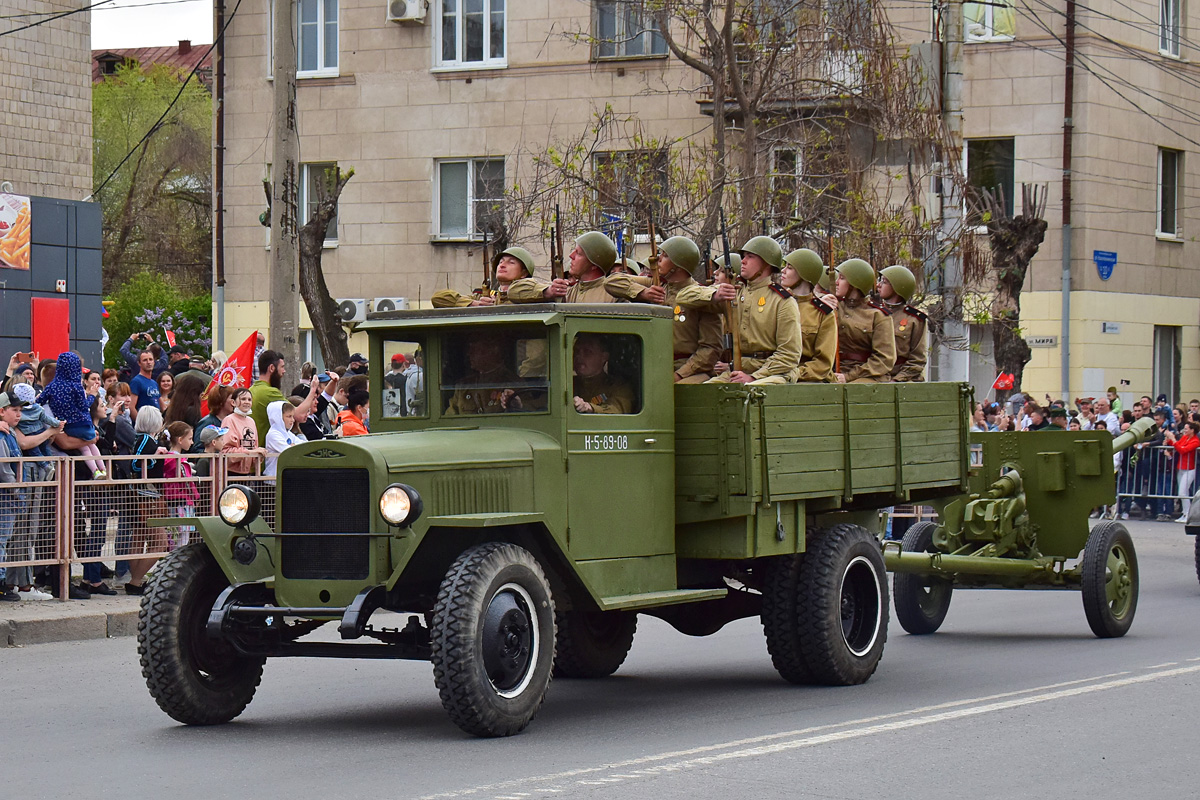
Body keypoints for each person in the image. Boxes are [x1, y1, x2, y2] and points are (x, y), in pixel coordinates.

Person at [679, 236, 802, 385]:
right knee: (708, 392)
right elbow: (683, 297)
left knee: (754, 391)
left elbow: (789, 354)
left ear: (766, 263)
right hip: (738, 369)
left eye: (750, 257)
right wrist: (714, 295)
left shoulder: (782, 301)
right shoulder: (735, 293)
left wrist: (754, 377)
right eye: (743, 257)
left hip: (774, 372)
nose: (743, 261)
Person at [605, 235, 724, 384]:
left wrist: (680, 375)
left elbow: (710, 348)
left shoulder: (701, 297)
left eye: (665, 256)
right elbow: (611, 281)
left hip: (687, 370)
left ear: (679, 265)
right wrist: (643, 293)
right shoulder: (656, 285)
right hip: (653, 365)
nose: (659, 259)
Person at [824, 259, 896, 384]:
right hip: (832, 371)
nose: (836, 282)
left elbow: (884, 359)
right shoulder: (834, 305)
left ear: (854, 283)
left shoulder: (878, 315)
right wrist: (821, 303)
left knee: (853, 391)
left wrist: (849, 376)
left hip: (867, 375)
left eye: (841, 278)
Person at [37, 352, 107, 478]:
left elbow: (37, 402)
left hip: (68, 426)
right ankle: (102, 469)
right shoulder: (76, 387)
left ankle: (96, 471)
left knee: (86, 449)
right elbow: (84, 406)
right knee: (89, 445)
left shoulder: (52, 387)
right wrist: (91, 396)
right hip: (82, 425)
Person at [124, 406, 169, 595]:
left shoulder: (143, 439)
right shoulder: (144, 439)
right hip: (147, 496)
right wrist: (154, 457)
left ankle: (136, 580)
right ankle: (135, 580)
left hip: (143, 494)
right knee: (160, 543)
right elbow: (136, 462)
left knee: (139, 538)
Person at [509, 231, 622, 304]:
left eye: (578, 253)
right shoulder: (567, 292)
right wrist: (548, 292)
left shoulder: (615, 295)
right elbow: (514, 291)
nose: (571, 256)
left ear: (593, 265)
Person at [780, 248, 837, 383]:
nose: (783, 271)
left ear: (804, 274)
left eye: (790, 268)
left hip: (809, 380)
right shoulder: (778, 304)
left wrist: (793, 374)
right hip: (777, 374)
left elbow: (823, 363)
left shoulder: (822, 313)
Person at [251, 350, 319, 446]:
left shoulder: (251, 390)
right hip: (268, 457)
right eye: (282, 367)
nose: (284, 371)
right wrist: (313, 390)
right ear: (271, 368)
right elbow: (298, 414)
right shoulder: (269, 392)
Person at [433, 246, 539, 307]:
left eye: (511, 263)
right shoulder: (481, 297)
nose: (502, 265)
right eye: (501, 262)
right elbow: (438, 298)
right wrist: (475, 304)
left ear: (524, 273)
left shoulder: (528, 298)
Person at [444, 337, 523, 415]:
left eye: (474, 350)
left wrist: (517, 404)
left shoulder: (512, 382)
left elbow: (530, 407)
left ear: (491, 352)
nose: (469, 354)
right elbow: (450, 416)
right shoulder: (463, 386)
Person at [0, 391, 29, 602]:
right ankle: (1, 583)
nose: (18, 415)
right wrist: (17, 490)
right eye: (14, 410)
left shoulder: (9, 433)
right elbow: (5, 470)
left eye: (20, 410)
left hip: (10, 496)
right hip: (6, 496)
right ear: (2, 411)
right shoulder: (3, 436)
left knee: (4, 539)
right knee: (1, 539)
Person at [876, 264, 927, 382]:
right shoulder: (873, 312)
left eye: (884, 282)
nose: (878, 285)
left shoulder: (914, 319)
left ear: (897, 286)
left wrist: (897, 380)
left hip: (903, 379)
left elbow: (917, 359)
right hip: (876, 377)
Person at [572, 334, 635, 414]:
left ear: (604, 357)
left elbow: (617, 409)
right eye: (576, 351)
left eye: (587, 351)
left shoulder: (618, 387)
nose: (579, 356)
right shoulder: (568, 384)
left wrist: (590, 408)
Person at [162, 421, 200, 549]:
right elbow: (188, 482)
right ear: (180, 440)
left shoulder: (168, 458)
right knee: (182, 536)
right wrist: (196, 496)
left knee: (176, 535)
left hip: (174, 500)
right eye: (189, 439)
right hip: (182, 501)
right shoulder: (177, 461)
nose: (192, 442)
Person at [10, 382, 62, 472]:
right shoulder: (38, 409)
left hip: (33, 469)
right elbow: (24, 444)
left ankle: (48, 465)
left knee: (40, 450)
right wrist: (54, 427)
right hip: (27, 468)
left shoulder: (21, 415)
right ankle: (49, 465)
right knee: (39, 450)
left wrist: (53, 430)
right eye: (15, 410)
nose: (18, 414)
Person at [222, 388, 267, 477]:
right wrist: (250, 452)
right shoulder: (229, 420)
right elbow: (226, 450)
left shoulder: (251, 421)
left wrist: (259, 454)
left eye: (249, 399)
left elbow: (254, 446)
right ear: (233, 402)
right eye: (243, 399)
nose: (247, 402)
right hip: (231, 472)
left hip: (248, 472)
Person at [1165, 421, 1199, 522]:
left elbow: (1183, 450)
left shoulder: (1196, 441)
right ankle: (1185, 513)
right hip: (1181, 467)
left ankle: (1188, 514)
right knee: (1183, 492)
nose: (1184, 430)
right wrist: (1169, 439)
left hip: (1189, 469)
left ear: (1192, 430)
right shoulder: (1185, 437)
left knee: (1183, 492)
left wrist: (1173, 439)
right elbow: (1178, 445)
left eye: (1186, 428)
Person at [264, 401, 303, 477]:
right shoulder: (273, 434)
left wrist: (293, 446)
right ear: (278, 417)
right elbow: (288, 451)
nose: (293, 420)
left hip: (285, 477)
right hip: (273, 480)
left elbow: (304, 445)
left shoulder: (288, 434)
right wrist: (293, 446)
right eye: (289, 416)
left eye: (293, 416)